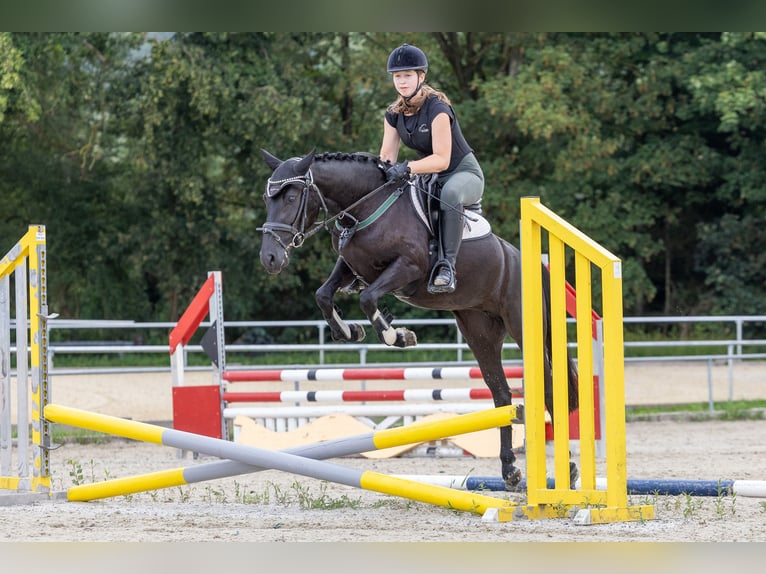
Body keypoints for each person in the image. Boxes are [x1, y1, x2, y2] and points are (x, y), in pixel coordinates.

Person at [379, 43, 484, 294]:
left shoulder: (437, 108)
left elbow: (442, 160)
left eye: (407, 75)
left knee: (450, 193)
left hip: (462, 173)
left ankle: (447, 266)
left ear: (421, 76)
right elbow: (387, 157)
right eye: (397, 76)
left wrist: (408, 168)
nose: (402, 81)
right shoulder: (394, 114)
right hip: (430, 177)